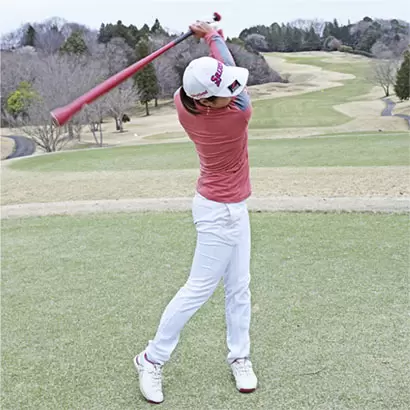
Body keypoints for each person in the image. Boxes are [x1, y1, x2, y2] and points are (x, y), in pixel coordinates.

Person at [133, 21, 258, 404]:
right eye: (225, 92)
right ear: (205, 102)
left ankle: (240, 356)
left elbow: (221, 74)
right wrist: (212, 37)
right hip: (217, 212)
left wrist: (210, 47)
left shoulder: (182, 102)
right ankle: (151, 359)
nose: (233, 91)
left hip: (234, 208)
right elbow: (228, 69)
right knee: (198, 290)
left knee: (239, 287)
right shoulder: (238, 114)